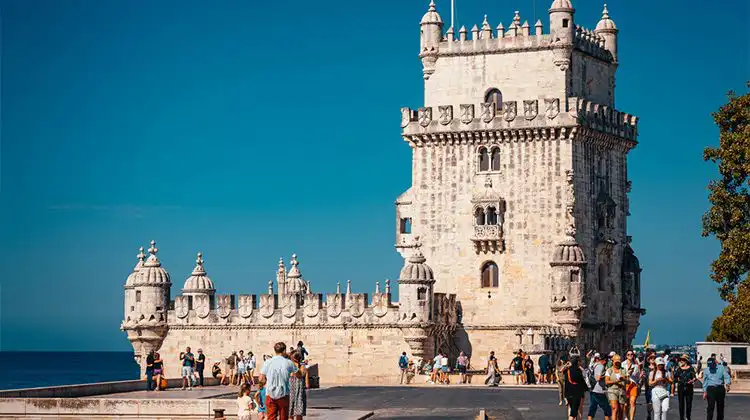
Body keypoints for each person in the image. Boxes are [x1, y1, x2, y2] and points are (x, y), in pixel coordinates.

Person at [260, 342, 296, 420]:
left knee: (271, 417)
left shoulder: (267, 362)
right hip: (284, 394)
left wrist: (266, 383)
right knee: (283, 417)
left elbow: (261, 379)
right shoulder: (289, 363)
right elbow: (298, 374)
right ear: (284, 351)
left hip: (269, 394)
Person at [587, 354, 611, 420]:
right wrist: (606, 375)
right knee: (607, 409)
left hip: (593, 389)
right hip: (599, 390)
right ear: (605, 360)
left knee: (592, 408)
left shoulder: (594, 365)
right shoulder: (600, 366)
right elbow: (598, 378)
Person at [605, 354, 627, 420]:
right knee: (615, 408)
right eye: (616, 362)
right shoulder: (609, 370)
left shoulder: (623, 370)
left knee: (621, 410)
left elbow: (628, 381)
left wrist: (624, 379)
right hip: (612, 390)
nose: (617, 363)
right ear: (613, 361)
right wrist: (616, 381)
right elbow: (607, 381)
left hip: (621, 391)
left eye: (619, 362)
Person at [674, 354, 696, 420]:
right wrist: (678, 379)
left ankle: (688, 417)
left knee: (689, 404)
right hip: (681, 387)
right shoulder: (679, 369)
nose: (681, 361)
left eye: (683, 360)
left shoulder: (691, 368)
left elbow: (694, 377)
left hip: (689, 387)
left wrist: (692, 381)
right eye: (681, 360)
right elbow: (675, 378)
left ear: (686, 361)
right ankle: (681, 418)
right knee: (681, 404)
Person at [621, 350, 640, 420]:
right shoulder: (622, 364)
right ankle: (626, 417)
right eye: (628, 354)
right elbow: (620, 374)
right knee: (626, 404)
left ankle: (631, 418)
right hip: (625, 385)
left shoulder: (636, 366)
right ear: (626, 356)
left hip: (633, 385)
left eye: (631, 354)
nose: (630, 356)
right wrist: (627, 374)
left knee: (633, 402)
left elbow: (637, 377)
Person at [289, 350, 308, 420]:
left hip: (299, 392)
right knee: (290, 412)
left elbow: (301, 375)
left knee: (299, 413)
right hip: (291, 391)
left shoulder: (302, 366)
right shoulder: (289, 366)